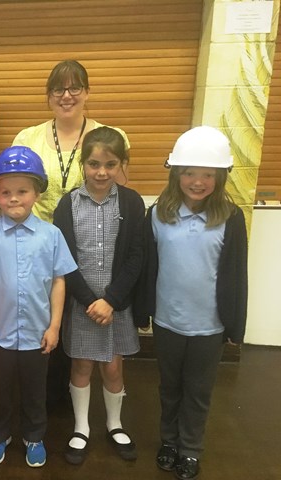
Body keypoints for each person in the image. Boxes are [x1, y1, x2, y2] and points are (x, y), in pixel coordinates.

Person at [13, 59, 131, 413]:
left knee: (78, 318)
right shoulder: (28, 138)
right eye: (58, 89)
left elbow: (120, 195)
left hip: (90, 247)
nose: (66, 95)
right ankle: (42, 395)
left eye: (74, 87)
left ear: (87, 92)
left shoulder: (111, 136)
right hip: (36, 244)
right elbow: (14, 193)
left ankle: (73, 400)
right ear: (48, 95)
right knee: (42, 317)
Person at [136, 126, 248, 480]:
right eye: (189, 173)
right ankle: (169, 442)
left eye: (207, 174)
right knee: (169, 388)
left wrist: (236, 326)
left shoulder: (230, 219)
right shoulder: (157, 214)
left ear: (220, 176)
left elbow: (236, 276)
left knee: (198, 392)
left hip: (209, 327)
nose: (197, 181)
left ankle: (190, 449)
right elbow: (147, 267)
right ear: (175, 174)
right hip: (169, 322)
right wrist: (144, 313)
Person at [0, 146, 77, 468]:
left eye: (22, 191)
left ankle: (34, 436)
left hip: (37, 332)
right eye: (6, 192)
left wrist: (54, 326)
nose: (14, 198)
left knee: (35, 390)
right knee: (0, 390)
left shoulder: (51, 235)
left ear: (37, 193)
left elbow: (59, 281)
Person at [53, 127, 144, 465]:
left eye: (110, 164)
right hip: (82, 302)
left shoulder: (132, 203)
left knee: (113, 366)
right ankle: (81, 428)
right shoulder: (68, 204)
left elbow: (137, 256)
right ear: (83, 164)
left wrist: (113, 300)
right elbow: (63, 257)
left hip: (117, 303)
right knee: (81, 363)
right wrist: (90, 300)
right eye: (93, 164)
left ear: (122, 163)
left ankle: (114, 424)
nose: (102, 172)